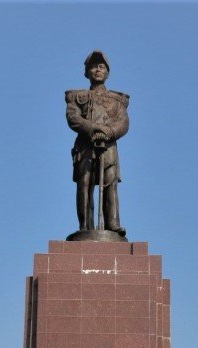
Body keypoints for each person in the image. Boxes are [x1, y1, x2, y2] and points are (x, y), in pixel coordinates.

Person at [66, 50, 129, 236]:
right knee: (84, 185)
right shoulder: (76, 97)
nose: (97, 70)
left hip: (108, 146)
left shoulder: (118, 100)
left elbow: (123, 122)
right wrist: (93, 129)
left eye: (101, 67)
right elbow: (73, 118)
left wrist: (109, 131)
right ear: (86, 72)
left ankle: (113, 224)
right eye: (93, 67)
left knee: (110, 184)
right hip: (85, 146)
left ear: (107, 72)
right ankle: (85, 226)